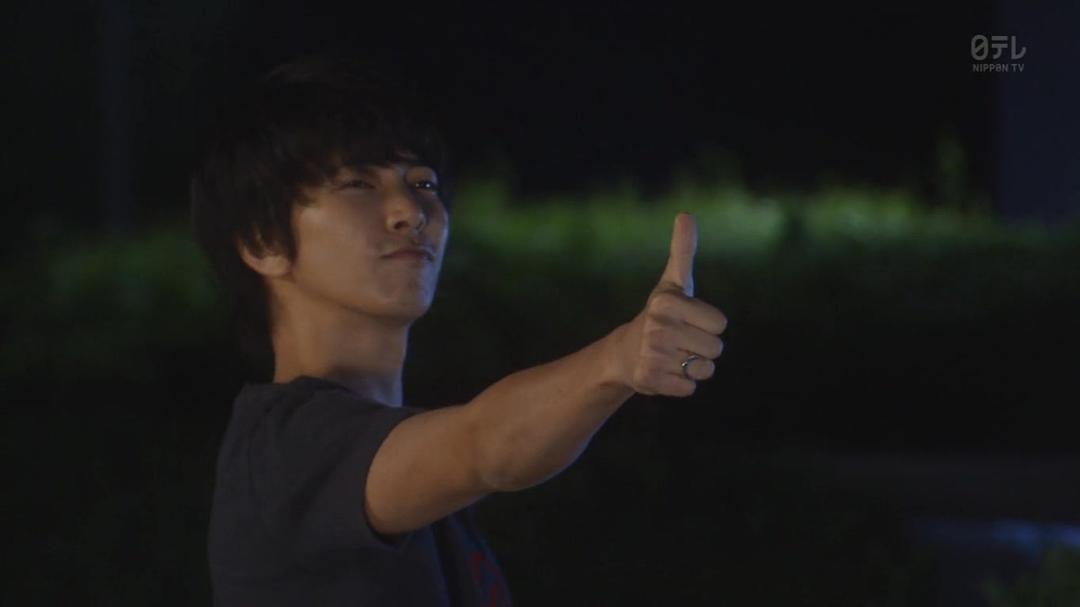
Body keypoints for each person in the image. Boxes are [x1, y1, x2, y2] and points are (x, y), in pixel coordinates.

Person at [190, 52, 728, 607]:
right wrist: (618, 360)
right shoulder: (281, 451)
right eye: (358, 183)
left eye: (423, 182)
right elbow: (484, 446)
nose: (410, 210)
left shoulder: (419, 492)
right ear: (263, 242)